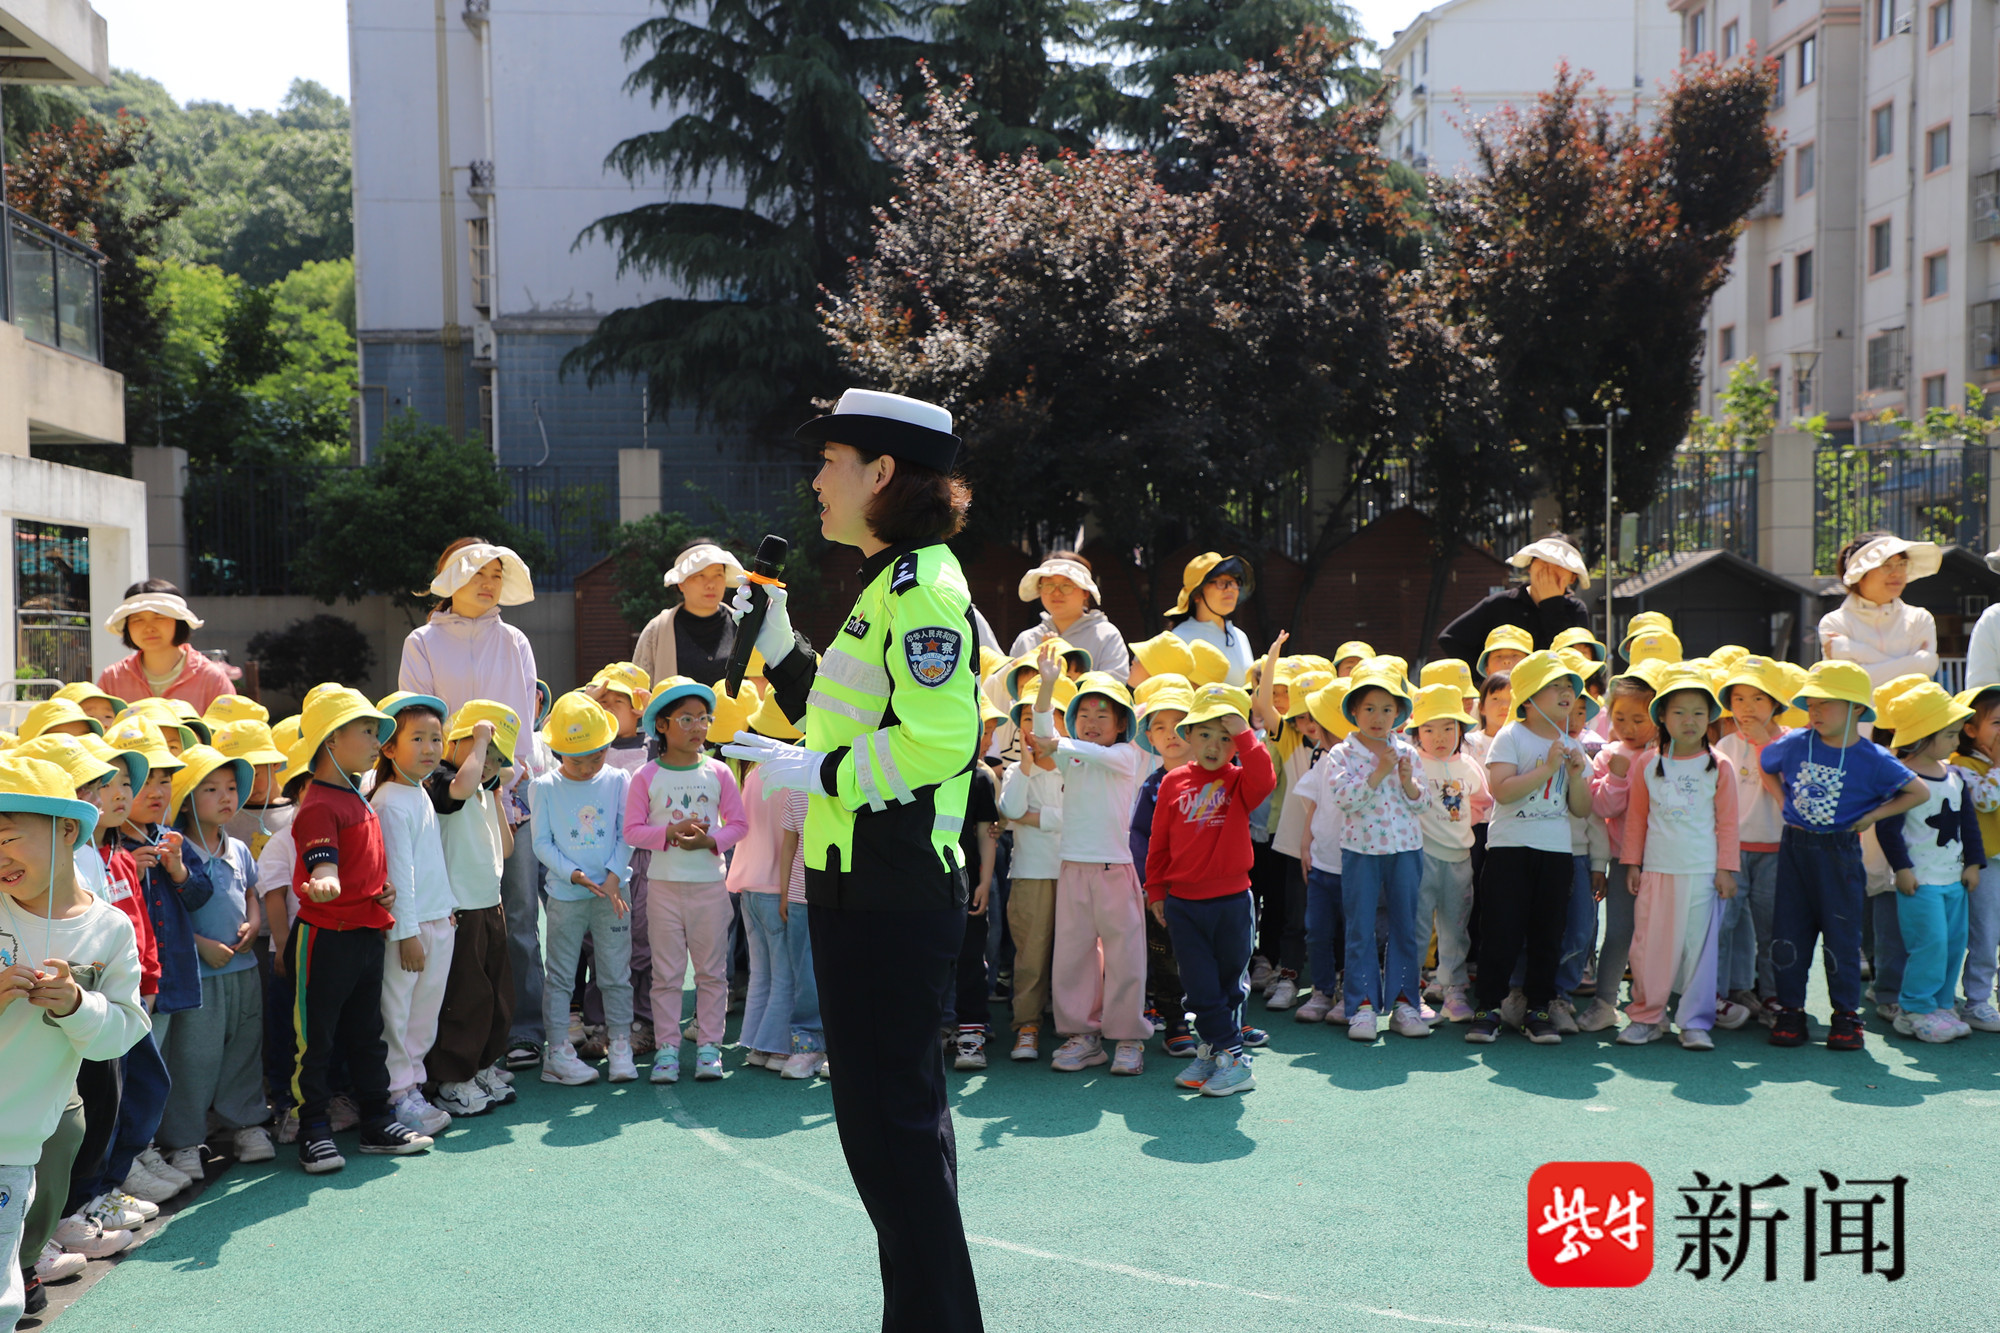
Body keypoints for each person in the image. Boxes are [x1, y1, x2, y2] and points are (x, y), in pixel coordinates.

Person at [720, 387, 985, 1332]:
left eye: (831, 461)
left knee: (895, 1136)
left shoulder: (924, 592)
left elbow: (939, 742)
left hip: (890, 885)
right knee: (887, 1134)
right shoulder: (886, 583)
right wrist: (784, 646)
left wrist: (815, 767)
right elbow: (848, 710)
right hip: (854, 884)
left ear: (881, 475)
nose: (817, 480)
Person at [0, 755, 150, 1331]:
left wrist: (75, 1005)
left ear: (67, 829)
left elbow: (122, 1031)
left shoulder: (107, 928)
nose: (0, 855)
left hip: (17, 1141)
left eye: (11, 838)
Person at [398, 538, 544, 1073]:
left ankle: (524, 1030)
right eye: (477, 571)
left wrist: (510, 781)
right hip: (444, 799)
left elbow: (525, 728)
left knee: (519, 915)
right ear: (449, 577)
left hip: (510, 791)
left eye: (497, 572)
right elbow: (415, 722)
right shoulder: (421, 642)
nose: (489, 581)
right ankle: (450, 1040)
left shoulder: (516, 641)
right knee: (451, 918)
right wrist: (449, 779)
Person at [288, 687, 435, 1173]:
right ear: (331, 738)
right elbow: (321, 859)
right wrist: (325, 878)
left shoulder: (357, 794)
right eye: (367, 730)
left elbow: (362, 862)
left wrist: (380, 890)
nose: (377, 740)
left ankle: (376, 1119)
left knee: (367, 1033)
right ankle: (312, 1127)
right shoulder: (318, 803)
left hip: (366, 932)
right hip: (325, 938)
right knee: (316, 1039)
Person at [1760, 661, 1928, 1051]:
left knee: (1842, 936)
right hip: (1795, 849)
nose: (1815, 711)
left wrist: (1871, 815)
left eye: (1826, 704)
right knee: (1789, 933)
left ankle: (1845, 1016)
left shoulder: (1873, 757)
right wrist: (1784, 801)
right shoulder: (1795, 743)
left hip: (1840, 852)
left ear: (1856, 709)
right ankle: (1790, 1011)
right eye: (1811, 703)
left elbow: (1917, 792)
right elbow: (1765, 764)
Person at [1144, 683, 1274, 1095]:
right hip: (1183, 904)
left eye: (1226, 737)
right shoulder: (1172, 781)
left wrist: (1245, 731)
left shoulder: (1240, 781)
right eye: (1205, 734)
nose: (1215, 745)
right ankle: (1226, 1053)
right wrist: (1156, 891)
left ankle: (1227, 1057)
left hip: (1233, 902)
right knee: (1198, 985)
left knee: (1227, 986)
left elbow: (1265, 776)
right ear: (1188, 735)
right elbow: (1158, 842)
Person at [1025, 649, 1149, 1075]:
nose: (1092, 722)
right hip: (1073, 867)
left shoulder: (1126, 755)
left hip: (1115, 868)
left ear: (1121, 725)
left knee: (1125, 956)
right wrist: (1045, 684)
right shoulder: (1073, 753)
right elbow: (1044, 730)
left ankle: (1129, 1038)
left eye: (1103, 715)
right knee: (1074, 956)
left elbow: (1061, 742)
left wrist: (1061, 741)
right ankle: (1084, 1037)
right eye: (1084, 714)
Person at [1468, 651, 1593, 1045]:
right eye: (1554, 686)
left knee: (1547, 934)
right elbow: (1502, 792)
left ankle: (1538, 1009)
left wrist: (1575, 775)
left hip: (1556, 852)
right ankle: (1487, 1007)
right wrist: (1545, 768)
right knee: (1501, 931)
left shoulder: (1573, 744)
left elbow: (1581, 808)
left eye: (1569, 687)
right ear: (1529, 697)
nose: (1566, 693)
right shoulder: (1511, 735)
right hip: (1510, 849)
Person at [157, 745, 271, 1172]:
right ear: (187, 798)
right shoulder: (175, 849)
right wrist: (201, 944)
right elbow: (167, 912)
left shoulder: (238, 846)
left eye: (230, 788)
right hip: (199, 975)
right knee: (193, 1056)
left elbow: (251, 893)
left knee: (245, 1047)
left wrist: (254, 924)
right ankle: (185, 1140)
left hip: (244, 969)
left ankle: (246, 1123)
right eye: (211, 789)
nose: (226, 797)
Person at [625, 679, 744, 1084]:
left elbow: (739, 825)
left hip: (710, 888)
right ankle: (667, 1050)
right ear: (662, 725)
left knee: (712, 972)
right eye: (687, 719)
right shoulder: (646, 775)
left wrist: (711, 841)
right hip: (662, 889)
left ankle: (710, 1047)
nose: (698, 727)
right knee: (667, 974)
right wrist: (671, 835)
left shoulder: (719, 772)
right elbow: (632, 831)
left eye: (704, 718)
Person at [1614, 667, 1740, 1050]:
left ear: (1710, 718)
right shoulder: (1647, 764)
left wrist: (1726, 870)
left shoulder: (1720, 766)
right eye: (1680, 712)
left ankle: (1695, 1021)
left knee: (1699, 949)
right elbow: (1636, 820)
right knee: (1649, 946)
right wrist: (1632, 863)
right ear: (1663, 718)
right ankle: (1647, 1016)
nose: (1690, 721)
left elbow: (1728, 822)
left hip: (1703, 873)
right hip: (1656, 871)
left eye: (1699, 713)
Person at [531, 692, 637, 1087]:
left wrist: (613, 875)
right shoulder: (543, 787)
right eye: (578, 759)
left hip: (613, 894)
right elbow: (541, 843)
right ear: (557, 751)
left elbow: (628, 830)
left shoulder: (618, 780)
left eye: (598, 755)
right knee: (560, 975)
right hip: (566, 895)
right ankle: (557, 1052)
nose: (589, 766)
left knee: (615, 973)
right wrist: (573, 874)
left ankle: (621, 1043)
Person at [1323, 661, 1429, 1042]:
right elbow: (1346, 799)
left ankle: (1404, 1004)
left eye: (1388, 709)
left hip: (1406, 849)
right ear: (1353, 710)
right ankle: (1362, 1007)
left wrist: (1408, 783)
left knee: (1405, 927)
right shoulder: (1341, 754)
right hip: (1360, 852)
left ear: (1399, 713)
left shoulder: (1408, 752)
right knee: (1360, 930)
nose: (1378, 717)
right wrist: (1380, 772)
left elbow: (1423, 803)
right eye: (1369, 708)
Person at [369, 693, 458, 1137]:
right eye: (417, 738)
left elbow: (429, 862)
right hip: (410, 929)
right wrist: (406, 933)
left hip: (436, 920)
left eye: (436, 738)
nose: (429, 748)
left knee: (424, 1015)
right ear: (388, 747)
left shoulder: (418, 792)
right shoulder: (388, 800)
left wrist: (446, 910)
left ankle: (413, 1088)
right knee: (398, 1013)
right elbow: (397, 873)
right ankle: (398, 1095)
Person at [1875, 684, 1985, 1043]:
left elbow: (1967, 822)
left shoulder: (1953, 775)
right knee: (1931, 943)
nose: (1957, 740)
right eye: (1950, 733)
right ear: (1923, 736)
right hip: (1920, 882)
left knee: (1954, 942)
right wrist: (1902, 869)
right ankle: (1914, 1009)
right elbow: (1888, 828)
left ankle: (1940, 1004)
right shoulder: (1900, 776)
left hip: (1954, 880)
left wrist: (1973, 863)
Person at [425, 703, 519, 1117]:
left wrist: (498, 794)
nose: (489, 764)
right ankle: (451, 1077)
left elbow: (508, 848)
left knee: (495, 994)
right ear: (459, 741)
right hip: (460, 909)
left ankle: (481, 1064)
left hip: (489, 905)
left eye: (498, 759)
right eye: (485, 751)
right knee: (464, 997)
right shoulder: (443, 780)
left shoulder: (482, 789)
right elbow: (460, 787)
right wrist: (480, 739)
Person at [1584, 662, 1663, 1032]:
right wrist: (1616, 774)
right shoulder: (1607, 755)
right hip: (1621, 859)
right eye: (1620, 718)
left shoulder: (1671, 754)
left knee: (1661, 934)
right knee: (1618, 932)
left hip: (1667, 860)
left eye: (1639, 718)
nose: (1628, 728)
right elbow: (1601, 808)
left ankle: (1659, 1005)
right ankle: (1604, 1002)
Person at [998, 679, 1073, 1062]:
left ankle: (1075, 1028)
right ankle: (1027, 1026)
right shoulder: (1016, 771)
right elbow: (1010, 812)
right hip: (1030, 873)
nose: (1035, 726)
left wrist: (1037, 817)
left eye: (1045, 716)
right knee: (1030, 954)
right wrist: (1025, 769)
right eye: (1026, 718)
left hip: (1077, 873)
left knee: (1075, 955)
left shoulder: (1077, 765)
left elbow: (1083, 815)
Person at [1407, 684, 1490, 1024]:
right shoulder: (1411, 762)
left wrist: (1458, 823)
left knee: (1456, 927)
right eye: (1428, 729)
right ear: (1416, 732)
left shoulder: (1468, 766)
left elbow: (1482, 803)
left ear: (1460, 729)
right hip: (1422, 857)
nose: (1439, 736)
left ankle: (1454, 990)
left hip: (1459, 858)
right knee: (1417, 925)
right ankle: (1409, 992)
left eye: (1448, 728)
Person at [1717, 657, 1789, 1022]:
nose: (1747, 707)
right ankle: (1716, 993)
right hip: (1732, 852)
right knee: (1724, 924)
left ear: (1776, 702)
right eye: (1739, 698)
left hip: (1777, 850)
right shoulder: (1725, 745)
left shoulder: (1791, 742)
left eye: (1758, 698)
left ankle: (1774, 995)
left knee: (1771, 928)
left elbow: (1787, 799)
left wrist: (1764, 745)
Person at [1436, 535, 1592, 668]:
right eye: (1543, 562)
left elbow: (1575, 659)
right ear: (1530, 566)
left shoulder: (1575, 610)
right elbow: (1451, 639)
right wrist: (1487, 674)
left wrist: (1551, 605)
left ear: (1573, 577)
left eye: (1559, 565)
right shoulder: (1501, 604)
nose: (1549, 571)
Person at [96, 581, 234, 714]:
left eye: (160, 617)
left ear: (179, 622)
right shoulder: (112, 678)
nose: (149, 628)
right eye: (137, 620)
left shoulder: (211, 678)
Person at [1949, 683, 2000, 1031]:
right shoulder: (1960, 764)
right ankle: (1977, 1002)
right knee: (1985, 933)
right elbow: (1985, 800)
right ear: (1970, 729)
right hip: (1985, 863)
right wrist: (1998, 765)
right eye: (1998, 722)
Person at [632, 541, 749, 687]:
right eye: (700, 575)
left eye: (718, 574)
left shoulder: (743, 624)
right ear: (681, 583)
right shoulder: (657, 630)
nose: (711, 584)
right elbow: (638, 687)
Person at [1008, 551, 1131, 682]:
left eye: (1066, 586)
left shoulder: (1106, 636)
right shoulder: (1027, 639)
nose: (1056, 593)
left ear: (1085, 592)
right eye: (1048, 585)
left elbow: (1114, 687)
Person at [1163, 552, 1258, 685]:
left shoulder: (1240, 636)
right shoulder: (1178, 639)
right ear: (1197, 594)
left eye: (1234, 582)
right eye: (1221, 582)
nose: (1230, 588)